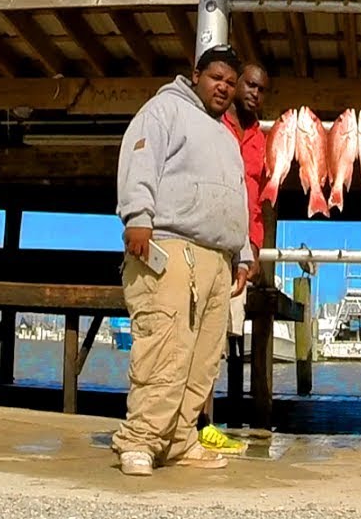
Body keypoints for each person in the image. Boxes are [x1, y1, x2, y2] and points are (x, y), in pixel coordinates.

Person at [111, 44, 253, 477]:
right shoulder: (164, 110)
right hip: (171, 246)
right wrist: (138, 216)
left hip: (218, 259)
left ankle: (179, 439)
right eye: (217, 79)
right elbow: (140, 158)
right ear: (196, 75)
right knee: (165, 349)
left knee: (203, 359)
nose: (224, 88)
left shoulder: (228, 137)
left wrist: (243, 254)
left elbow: (238, 196)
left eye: (231, 83)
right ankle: (139, 440)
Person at [193, 63, 270, 455]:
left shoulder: (260, 138)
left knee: (218, 341)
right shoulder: (210, 122)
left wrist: (254, 248)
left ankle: (204, 426)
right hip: (204, 241)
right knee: (191, 336)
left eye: (262, 89)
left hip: (238, 253)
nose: (255, 92)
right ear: (236, 85)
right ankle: (188, 424)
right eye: (250, 84)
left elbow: (256, 202)